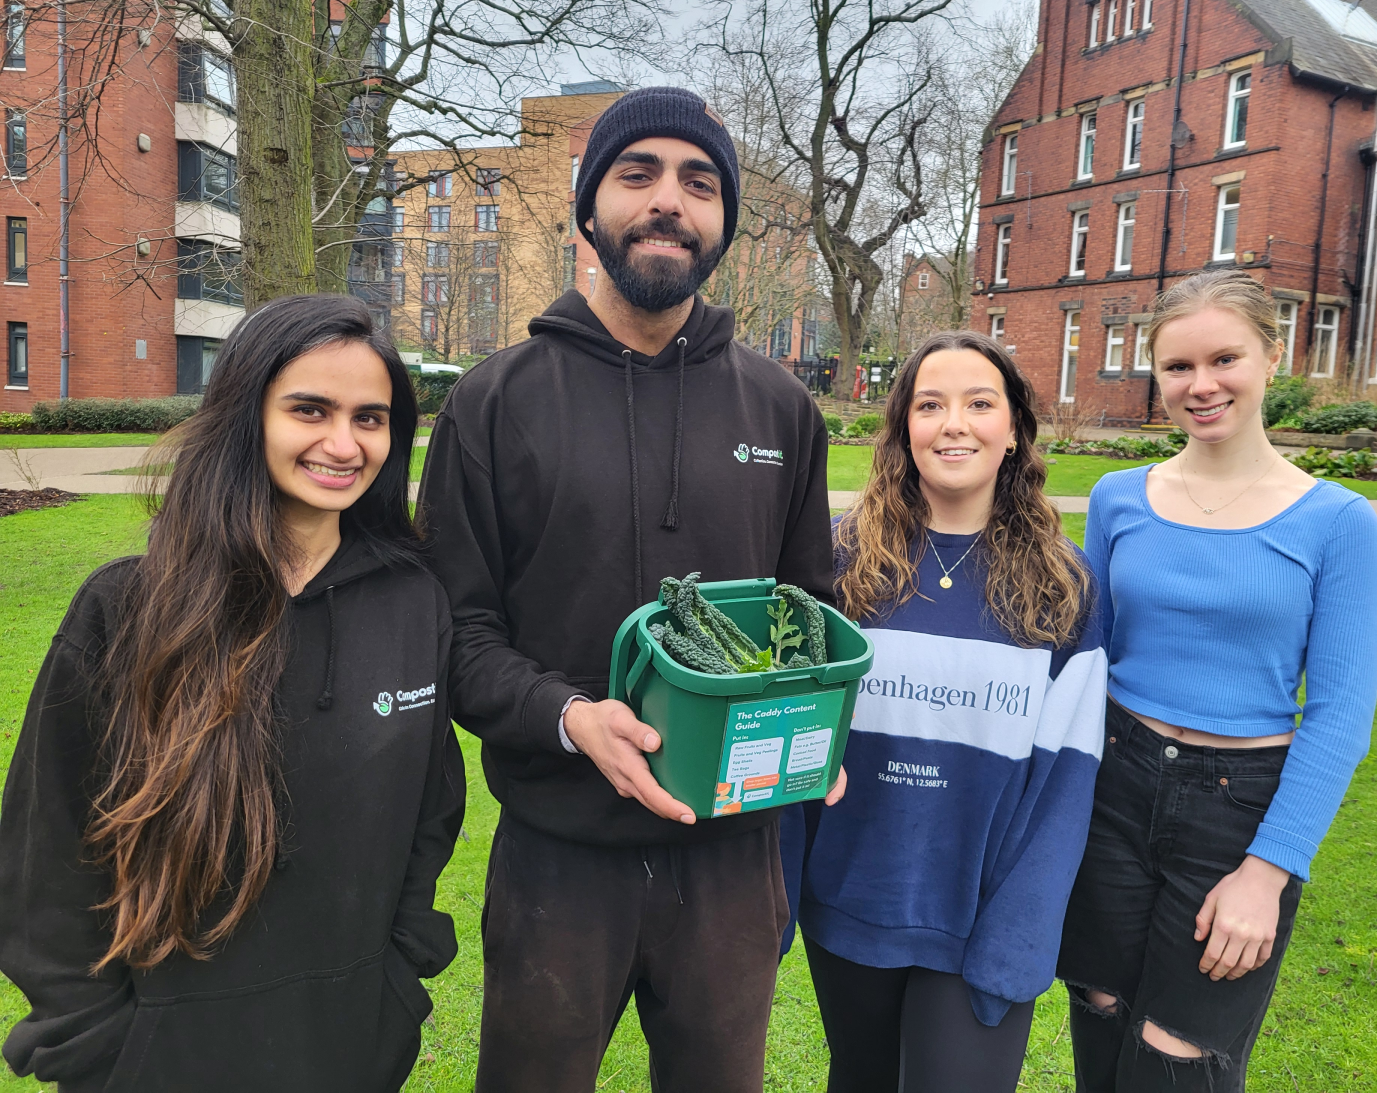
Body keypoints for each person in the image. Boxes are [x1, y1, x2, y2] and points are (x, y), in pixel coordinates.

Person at [417, 86, 838, 1093]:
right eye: (637, 174)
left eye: (699, 183)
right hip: (559, 859)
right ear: (589, 206)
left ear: (724, 219)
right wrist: (569, 718)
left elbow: (811, 618)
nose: (668, 202)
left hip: (732, 860)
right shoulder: (495, 402)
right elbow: (457, 636)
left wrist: (818, 725)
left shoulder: (781, 408)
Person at [0, 295, 465, 1093]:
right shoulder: (127, 608)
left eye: (370, 417)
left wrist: (395, 981)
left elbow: (431, 807)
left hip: (351, 1047)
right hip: (162, 1060)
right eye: (310, 409)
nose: (343, 443)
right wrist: (101, 1045)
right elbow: (47, 854)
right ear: (246, 415)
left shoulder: (414, 603)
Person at [1058, 270, 1377, 1092]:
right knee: (1101, 1018)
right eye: (1178, 366)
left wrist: (1269, 869)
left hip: (1237, 813)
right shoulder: (1118, 498)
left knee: (1178, 1060)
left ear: (1273, 357)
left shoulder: (1337, 521)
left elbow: (1341, 716)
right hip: (1114, 788)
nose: (1200, 385)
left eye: (1224, 359)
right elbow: (1087, 660)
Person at [780, 331, 1107, 1093]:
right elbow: (799, 727)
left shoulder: (1067, 586)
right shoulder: (839, 563)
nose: (953, 424)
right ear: (904, 428)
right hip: (852, 904)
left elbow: (1067, 780)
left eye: (979, 403)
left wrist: (1022, 929)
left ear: (1014, 428)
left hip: (983, 917)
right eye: (930, 405)